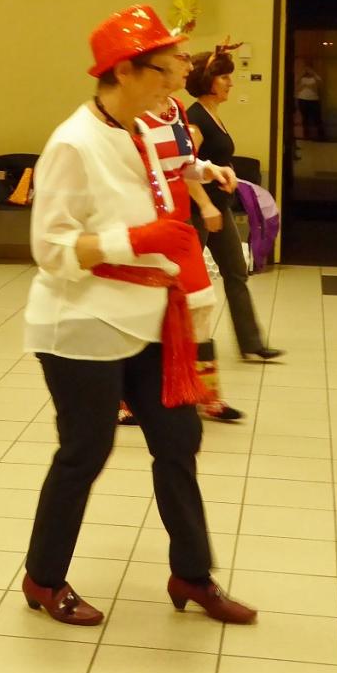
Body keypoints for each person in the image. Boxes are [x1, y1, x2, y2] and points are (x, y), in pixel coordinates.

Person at [21, 5, 257, 627]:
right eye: (164, 68)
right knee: (86, 450)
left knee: (179, 441)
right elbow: (49, 250)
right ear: (123, 71)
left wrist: (203, 172)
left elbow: (167, 169)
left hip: (149, 313)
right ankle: (43, 578)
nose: (177, 80)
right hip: (82, 321)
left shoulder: (142, 125)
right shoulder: (73, 143)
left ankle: (192, 574)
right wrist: (138, 239)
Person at [137, 80, 246, 422]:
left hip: (179, 223)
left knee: (201, 304)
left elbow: (184, 165)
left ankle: (205, 392)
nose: (185, 66)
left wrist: (211, 169)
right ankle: (127, 398)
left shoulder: (177, 108)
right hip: (146, 225)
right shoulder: (132, 113)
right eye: (179, 58)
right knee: (146, 311)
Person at [186, 45, 284, 361]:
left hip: (219, 208)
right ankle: (179, 347)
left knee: (236, 272)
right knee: (187, 281)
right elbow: (184, 169)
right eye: (224, 77)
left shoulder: (213, 115)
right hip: (199, 211)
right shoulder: (195, 119)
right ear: (207, 81)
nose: (230, 82)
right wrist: (205, 206)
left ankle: (251, 342)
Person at [295, 63, 325, 140]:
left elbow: (320, 83)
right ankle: (306, 136)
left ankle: (321, 136)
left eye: (309, 69)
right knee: (305, 119)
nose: (307, 71)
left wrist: (313, 73)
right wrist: (302, 74)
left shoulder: (315, 78)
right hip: (302, 99)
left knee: (317, 118)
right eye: (306, 69)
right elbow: (296, 84)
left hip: (314, 99)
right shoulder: (301, 78)